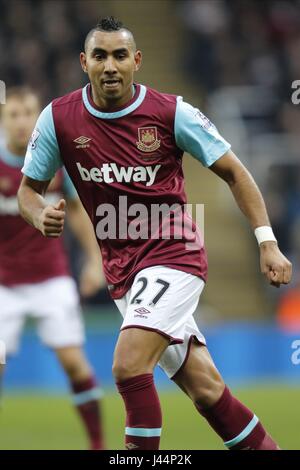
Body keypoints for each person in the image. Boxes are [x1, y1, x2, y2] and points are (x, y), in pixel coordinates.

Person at [18, 17, 292, 450]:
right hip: (123, 271)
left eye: (120, 55)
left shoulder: (172, 112)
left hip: (173, 254)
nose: (110, 66)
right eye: (101, 56)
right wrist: (37, 216)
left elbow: (235, 173)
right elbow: (28, 190)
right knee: (206, 390)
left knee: (128, 366)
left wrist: (267, 243)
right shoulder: (58, 118)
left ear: (137, 61)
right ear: (83, 61)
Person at [0, 87, 106, 450]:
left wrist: (95, 261)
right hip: (3, 284)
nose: (21, 121)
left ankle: (98, 445)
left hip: (51, 277)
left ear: (37, 117)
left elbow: (77, 212)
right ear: (3, 121)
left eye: (28, 113)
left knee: (76, 366)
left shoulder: (54, 161)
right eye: (13, 114)